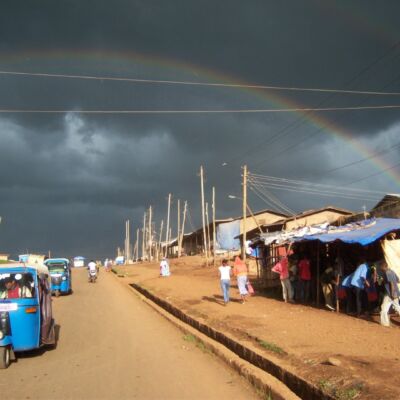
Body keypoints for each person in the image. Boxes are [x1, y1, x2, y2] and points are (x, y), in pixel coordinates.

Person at [380, 263, 400, 327]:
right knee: (398, 307)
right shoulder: (392, 271)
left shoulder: (387, 272)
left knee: (384, 309)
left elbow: (391, 283)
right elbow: (398, 280)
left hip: (390, 294)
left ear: (383, 266)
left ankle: (385, 323)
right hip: (396, 293)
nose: (380, 269)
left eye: (381, 267)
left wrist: (392, 293)